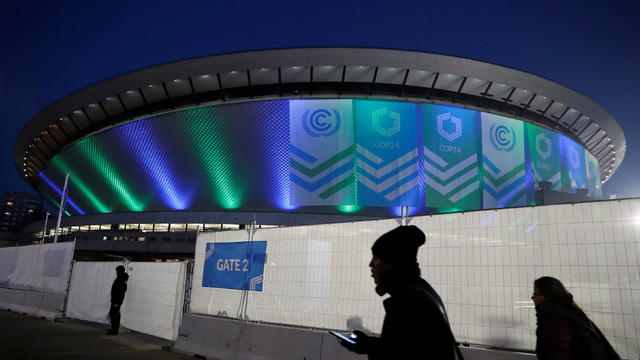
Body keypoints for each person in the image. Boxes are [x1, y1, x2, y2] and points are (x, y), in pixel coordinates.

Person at [339, 225, 461, 359]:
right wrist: (368, 344)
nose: (370, 265)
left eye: (376, 258)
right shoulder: (419, 290)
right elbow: (405, 346)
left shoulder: (407, 301)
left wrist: (368, 347)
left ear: (393, 262)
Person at [532, 276, 620, 360]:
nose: (532, 297)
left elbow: (558, 354)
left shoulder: (555, 322)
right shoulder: (571, 313)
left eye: (536, 294)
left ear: (549, 296)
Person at [107, 265, 129, 335]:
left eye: (117, 271)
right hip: (116, 300)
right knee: (116, 314)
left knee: (113, 314)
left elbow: (121, 290)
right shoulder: (121, 278)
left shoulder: (121, 279)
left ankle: (114, 330)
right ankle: (115, 329)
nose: (116, 272)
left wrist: (117, 301)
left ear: (119, 271)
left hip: (117, 300)